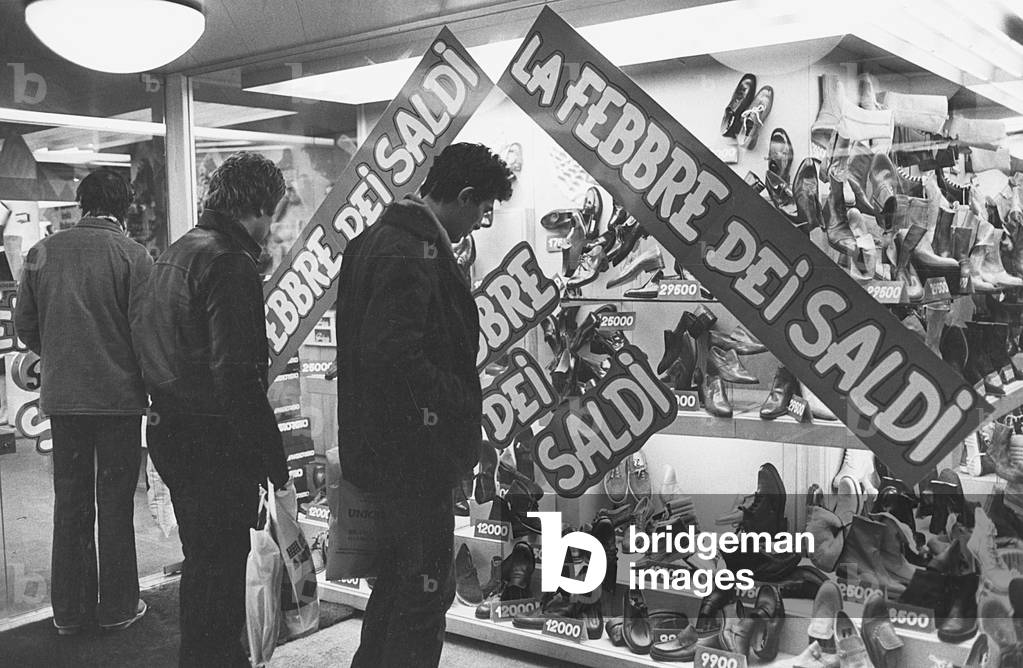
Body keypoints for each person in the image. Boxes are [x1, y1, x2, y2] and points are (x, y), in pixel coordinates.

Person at [336, 142, 514, 667]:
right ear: (464, 195)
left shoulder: (375, 240)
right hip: (412, 460)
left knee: (398, 586)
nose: (480, 222)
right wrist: (457, 402)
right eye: (482, 210)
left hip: (385, 453)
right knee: (423, 594)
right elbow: (393, 357)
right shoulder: (411, 250)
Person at [132, 152, 289, 667]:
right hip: (214, 441)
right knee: (221, 573)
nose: (270, 227)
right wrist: (274, 461)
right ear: (259, 207)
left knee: (202, 564)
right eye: (272, 214)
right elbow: (238, 377)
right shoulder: (229, 262)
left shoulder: (178, 251)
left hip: (171, 429)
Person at [14, 169, 153, 635]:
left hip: (65, 401)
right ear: (125, 208)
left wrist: (59, 353)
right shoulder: (134, 256)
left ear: (82, 203)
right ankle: (118, 607)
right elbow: (145, 333)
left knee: (70, 503)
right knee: (115, 505)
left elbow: (26, 327)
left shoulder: (42, 252)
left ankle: (70, 613)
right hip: (118, 402)